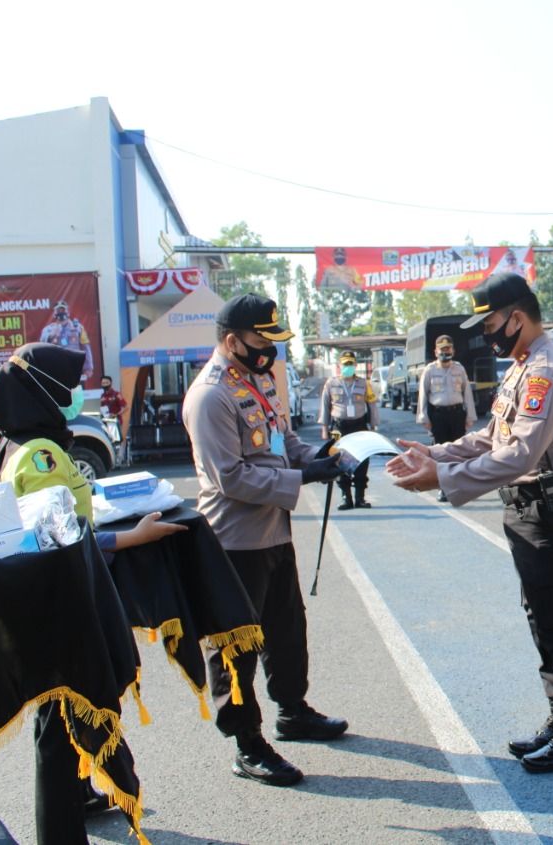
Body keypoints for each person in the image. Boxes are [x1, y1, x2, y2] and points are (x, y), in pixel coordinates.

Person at [385, 273, 553, 774]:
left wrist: (443, 476)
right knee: (542, 618)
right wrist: (436, 452)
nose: (487, 333)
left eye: (491, 322)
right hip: (529, 509)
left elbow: (522, 453)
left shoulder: (545, 369)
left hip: (550, 507)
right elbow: (492, 436)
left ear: (517, 317)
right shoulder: (523, 368)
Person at [0, 342, 187, 845]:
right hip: (58, 603)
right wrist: (132, 537)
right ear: (43, 391)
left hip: (54, 597)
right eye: (68, 387)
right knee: (60, 726)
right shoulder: (41, 453)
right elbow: (59, 538)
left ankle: (78, 799)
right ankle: (60, 833)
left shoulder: (24, 442)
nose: (75, 396)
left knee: (66, 718)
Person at [182, 294, 348, 788]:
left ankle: (293, 711)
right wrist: (302, 480)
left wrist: (318, 456)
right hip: (234, 541)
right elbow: (229, 477)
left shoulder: (256, 382)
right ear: (232, 341)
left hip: (273, 531)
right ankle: (247, 744)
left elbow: (282, 443)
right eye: (261, 343)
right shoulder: (210, 396)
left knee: (286, 630)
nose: (268, 353)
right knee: (236, 647)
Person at [416, 334, 477, 502]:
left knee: (458, 452)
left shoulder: (459, 369)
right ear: (436, 352)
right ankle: (443, 488)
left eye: (448, 349)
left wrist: (470, 416)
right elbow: (423, 394)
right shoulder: (430, 370)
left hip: (457, 414)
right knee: (440, 453)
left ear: (453, 351)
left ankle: (458, 487)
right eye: (442, 350)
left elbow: (467, 393)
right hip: (438, 416)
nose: (445, 352)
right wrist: (424, 417)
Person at [319, 350, 378, 510]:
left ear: (355, 365)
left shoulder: (364, 383)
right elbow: (325, 406)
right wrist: (324, 428)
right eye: (345, 364)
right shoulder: (331, 383)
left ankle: (360, 497)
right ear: (339, 366)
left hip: (359, 426)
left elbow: (372, 405)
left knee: (361, 461)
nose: (348, 367)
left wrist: (373, 427)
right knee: (341, 461)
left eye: (350, 364)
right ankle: (346, 497)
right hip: (339, 428)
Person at [40, 300, 94, 379]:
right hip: (56, 369)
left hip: (74, 367)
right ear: (54, 313)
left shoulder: (78, 327)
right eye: (58, 310)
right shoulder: (48, 329)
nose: (61, 312)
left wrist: (88, 367)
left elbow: (85, 347)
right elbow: (42, 345)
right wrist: (52, 335)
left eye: (63, 310)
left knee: (76, 390)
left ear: (68, 312)